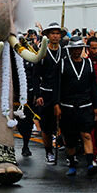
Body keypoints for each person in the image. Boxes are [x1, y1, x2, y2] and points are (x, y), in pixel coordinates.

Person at [56, 36, 97, 176]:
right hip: (68, 106)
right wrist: (56, 105)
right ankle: (72, 164)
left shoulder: (88, 64)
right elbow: (57, 86)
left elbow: (94, 86)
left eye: (79, 49)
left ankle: (89, 164)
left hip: (85, 105)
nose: (76, 51)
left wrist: (96, 106)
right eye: (74, 49)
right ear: (70, 50)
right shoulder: (62, 64)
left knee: (86, 134)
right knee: (70, 139)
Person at [30, 22, 65, 164]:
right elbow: (35, 75)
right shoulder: (42, 51)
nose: (55, 36)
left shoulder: (65, 51)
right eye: (53, 33)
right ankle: (48, 151)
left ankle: (69, 151)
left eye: (58, 33)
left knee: (65, 122)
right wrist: (37, 94)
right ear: (48, 36)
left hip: (62, 92)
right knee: (46, 125)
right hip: (46, 93)